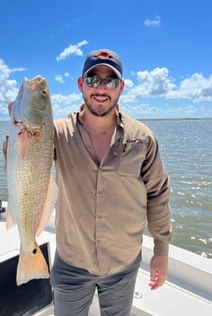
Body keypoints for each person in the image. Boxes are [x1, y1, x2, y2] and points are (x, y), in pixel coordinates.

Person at [50, 49, 172, 316]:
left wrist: (161, 251)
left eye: (110, 81)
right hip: (71, 261)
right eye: (93, 79)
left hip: (123, 264)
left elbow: (158, 195)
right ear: (81, 84)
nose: (101, 88)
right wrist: (21, 129)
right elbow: (22, 162)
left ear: (121, 87)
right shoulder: (56, 133)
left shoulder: (143, 138)